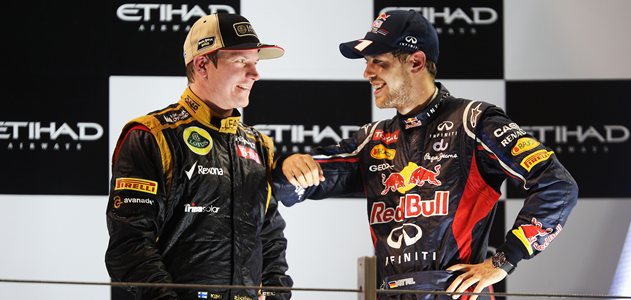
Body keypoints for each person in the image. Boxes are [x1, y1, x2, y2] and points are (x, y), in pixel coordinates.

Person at [271, 9, 578, 300]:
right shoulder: (371, 139)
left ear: (416, 62)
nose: (367, 73)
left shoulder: (473, 122)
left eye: (379, 61)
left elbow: (557, 185)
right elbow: (294, 186)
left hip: (455, 291)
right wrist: (288, 164)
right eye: (366, 63)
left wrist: (503, 260)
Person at [105, 12, 293, 300]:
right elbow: (129, 245)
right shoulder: (151, 135)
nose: (255, 74)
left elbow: (270, 242)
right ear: (203, 65)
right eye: (241, 61)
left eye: (255, 62)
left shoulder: (259, 145)